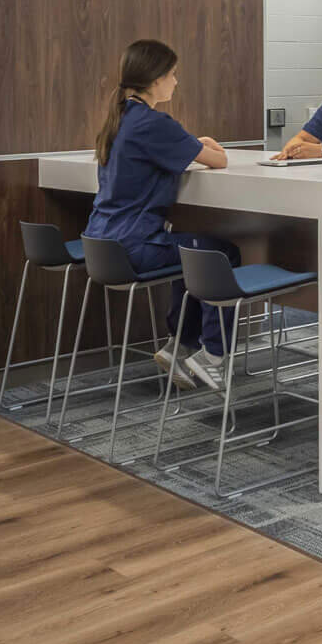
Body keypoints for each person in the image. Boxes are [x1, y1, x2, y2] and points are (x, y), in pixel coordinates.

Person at [84, 39, 236, 390]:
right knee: (216, 254)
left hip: (102, 244)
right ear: (154, 80)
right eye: (172, 74)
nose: (176, 82)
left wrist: (190, 142)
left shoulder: (120, 118)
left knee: (190, 252)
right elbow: (220, 160)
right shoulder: (154, 123)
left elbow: (166, 147)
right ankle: (212, 355)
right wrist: (206, 145)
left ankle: (179, 344)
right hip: (133, 247)